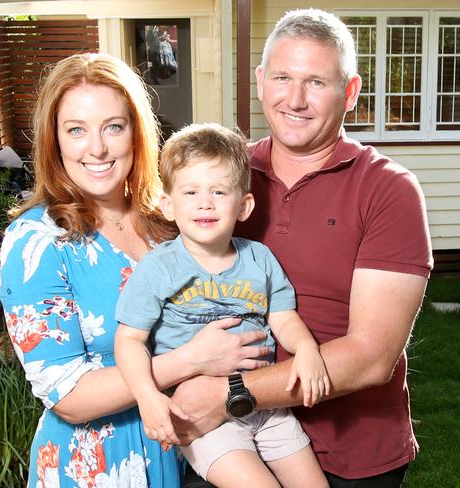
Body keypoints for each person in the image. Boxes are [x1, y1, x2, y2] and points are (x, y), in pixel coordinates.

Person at [171, 9, 434, 488]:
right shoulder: (222, 180)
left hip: (351, 454)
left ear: (350, 92)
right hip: (231, 444)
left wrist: (227, 392)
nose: (294, 99)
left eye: (316, 82)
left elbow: (372, 356)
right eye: (282, 77)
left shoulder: (388, 190)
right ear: (260, 81)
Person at [0, 53, 269, 488]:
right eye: (76, 130)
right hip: (95, 465)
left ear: (136, 132)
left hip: (187, 450)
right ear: (55, 141)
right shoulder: (37, 242)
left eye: (113, 126)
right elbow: (67, 396)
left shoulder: (168, 221)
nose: (98, 148)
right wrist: (189, 360)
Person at [114, 123, 330, 488]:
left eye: (218, 191)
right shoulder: (159, 267)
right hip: (204, 421)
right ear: (168, 204)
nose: (205, 202)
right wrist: (147, 395)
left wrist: (307, 348)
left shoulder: (259, 259)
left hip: (266, 405)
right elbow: (129, 340)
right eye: (191, 191)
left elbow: (283, 317)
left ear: (244, 205)